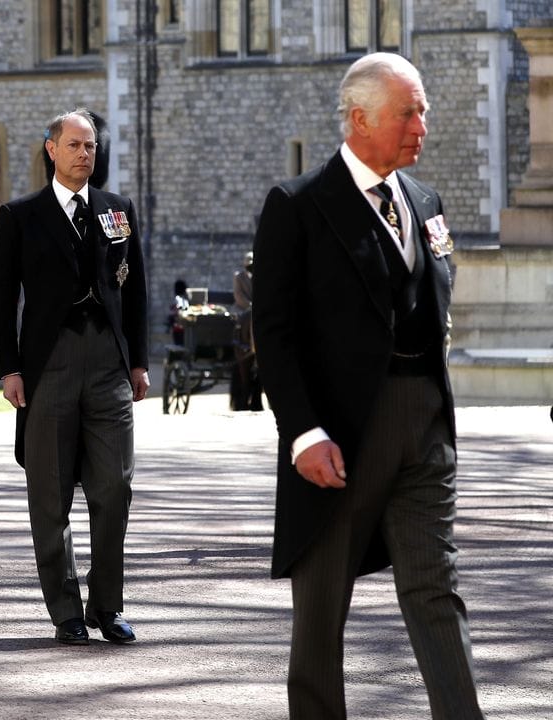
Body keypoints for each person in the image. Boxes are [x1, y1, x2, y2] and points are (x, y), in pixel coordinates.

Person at [252, 53, 484, 719]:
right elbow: (275, 333)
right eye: (408, 113)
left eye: (424, 111)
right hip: (341, 434)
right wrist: (303, 432)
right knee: (323, 609)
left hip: (427, 426)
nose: (422, 126)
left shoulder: (426, 202)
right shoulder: (297, 206)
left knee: (436, 589)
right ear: (358, 119)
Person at [0, 108, 149, 646]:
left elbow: (138, 292)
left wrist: (139, 361)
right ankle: (66, 612)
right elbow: (2, 296)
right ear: (51, 149)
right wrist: (9, 367)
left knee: (115, 488)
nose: (86, 154)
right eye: (76, 145)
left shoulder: (117, 210)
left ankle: (108, 606)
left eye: (92, 146)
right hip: (48, 364)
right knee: (50, 494)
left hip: (108, 362)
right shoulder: (20, 215)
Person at [229, 251, 263, 411]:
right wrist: (251, 306)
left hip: (257, 309)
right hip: (243, 310)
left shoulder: (260, 276)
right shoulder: (239, 277)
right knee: (244, 320)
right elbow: (239, 296)